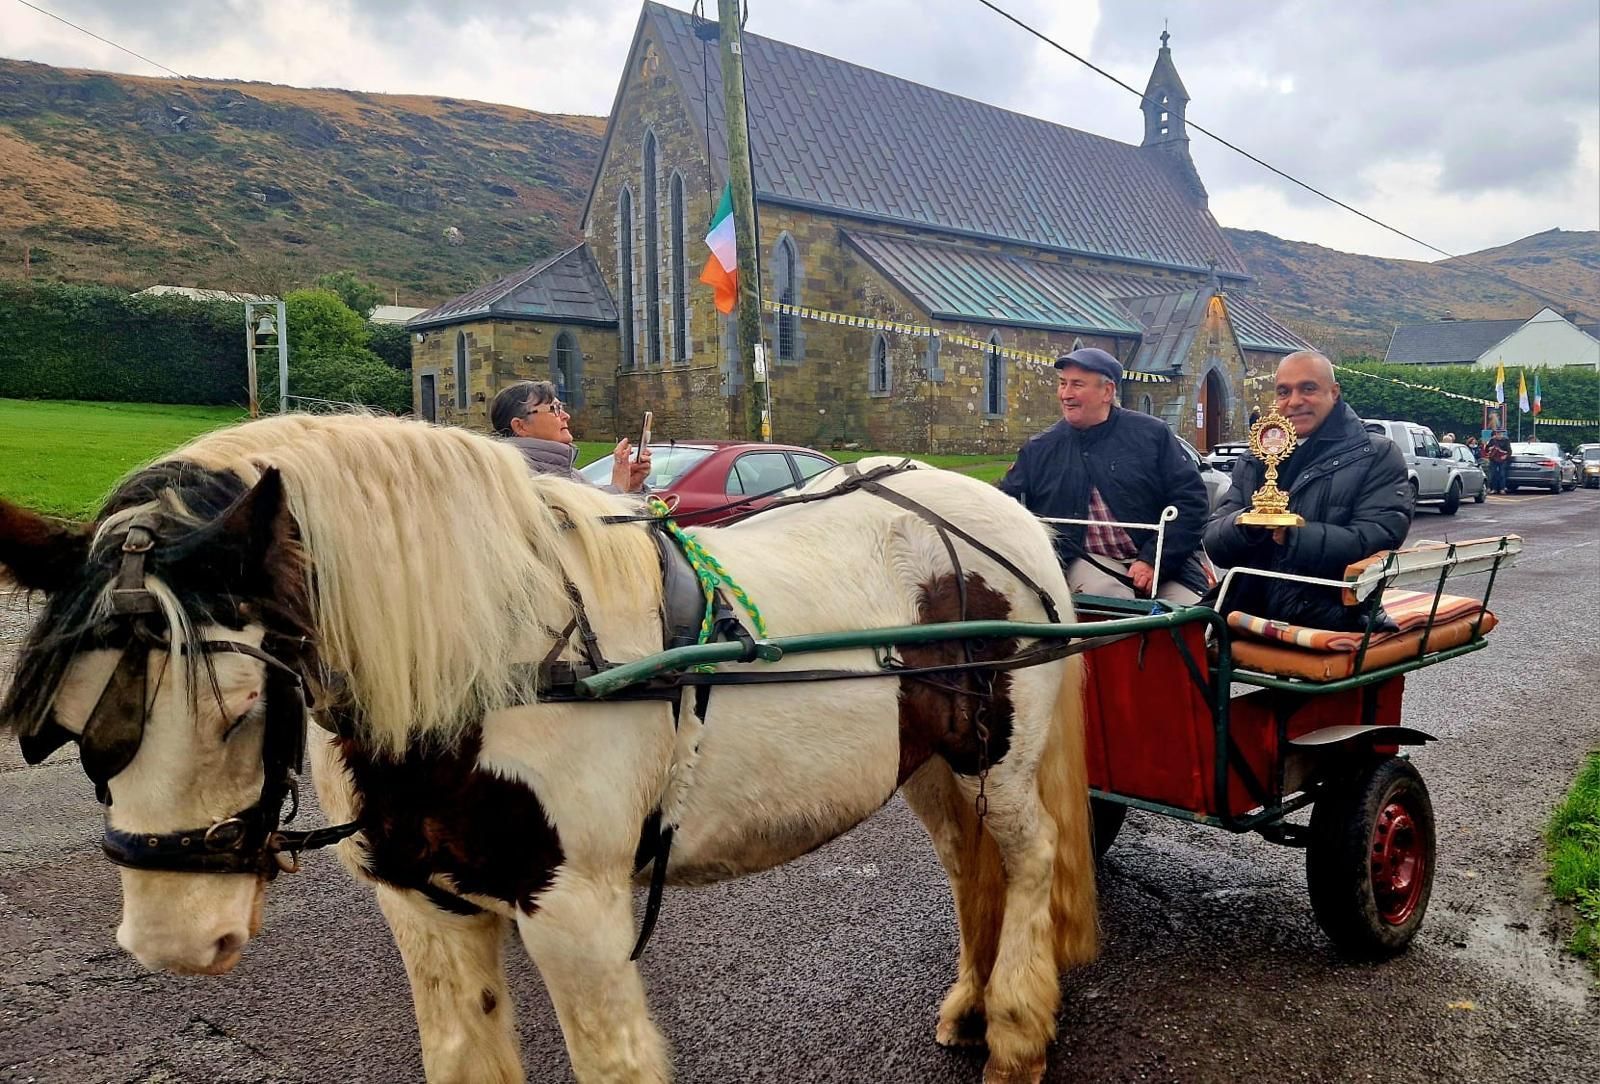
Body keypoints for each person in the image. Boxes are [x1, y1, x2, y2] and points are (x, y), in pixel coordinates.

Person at [1204, 350, 1413, 630]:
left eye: (1308, 388)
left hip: (1334, 612)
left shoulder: (1375, 454)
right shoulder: (1256, 457)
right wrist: (1247, 523)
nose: (1295, 401)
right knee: (1157, 641)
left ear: (1334, 392)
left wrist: (1293, 536)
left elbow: (1379, 538)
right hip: (1245, 603)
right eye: (1284, 392)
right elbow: (1215, 542)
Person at [998, 347, 1210, 604]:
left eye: (1077, 385)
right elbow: (1003, 506)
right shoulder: (1040, 449)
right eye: (1063, 384)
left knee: (1190, 616)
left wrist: (1154, 559)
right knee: (1112, 606)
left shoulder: (1153, 434)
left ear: (1107, 392)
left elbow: (1192, 502)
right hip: (1087, 559)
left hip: (1163, 559)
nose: (1066, 394)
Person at [489, 380, 650, 492]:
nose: (566, 416)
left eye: (561, 407)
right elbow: (581, 525)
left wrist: (631, 487)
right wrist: (618, 488)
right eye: (554, 409)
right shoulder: (518, 477)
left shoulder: (571, 473)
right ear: (521, 426)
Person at [1483, 429, 1512, 494]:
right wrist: (1489, 448)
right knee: (1493, 474)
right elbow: (1486, 449)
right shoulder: (1492, 440)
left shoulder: (1506, 440)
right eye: (1497, 434)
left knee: (1502, 474)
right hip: (1493, 459)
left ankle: (1502, 488)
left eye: (1500, 434)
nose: (1499, 435)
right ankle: (1493, 488)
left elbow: (1509, 451)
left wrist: (1506, 456)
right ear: (1495, 434)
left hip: (1502, 459)